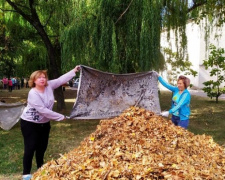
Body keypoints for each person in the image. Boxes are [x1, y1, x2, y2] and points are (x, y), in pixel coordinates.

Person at [20, 65, 80, 180]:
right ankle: (26, 174)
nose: (42, 79)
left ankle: (40, 169)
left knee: (42, 147)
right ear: (34, 81)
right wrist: (61, 117)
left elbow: (60, 80)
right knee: (30, 146)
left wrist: (74, 70)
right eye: (39, 78)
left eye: (44, 77)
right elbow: (43, 111)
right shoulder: (33, 93)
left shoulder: (49, 86)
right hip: (29, 123)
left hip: (44, 123)